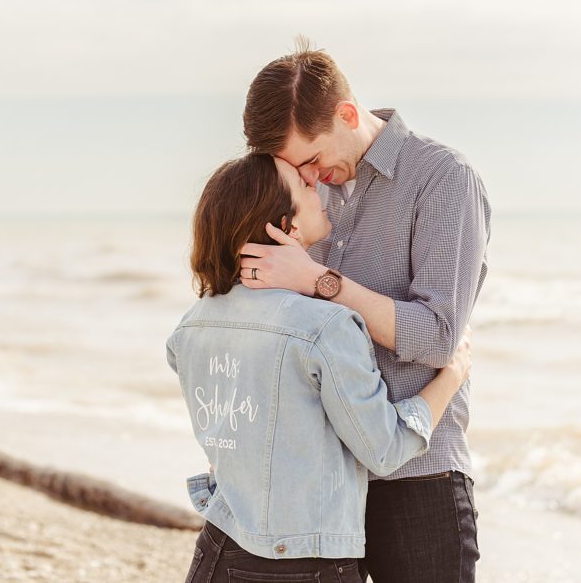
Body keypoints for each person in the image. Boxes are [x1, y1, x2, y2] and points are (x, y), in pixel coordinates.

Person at [239, 39, 491, 583]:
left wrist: (320, 282)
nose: (309, 177)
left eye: (312, 160)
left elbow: (438, 338)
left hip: (418, 479)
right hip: (321, 483)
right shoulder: (306, 191)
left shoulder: (443, 178)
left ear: (347, 115)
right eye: (296, 169)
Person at [167, 153, 472, 583]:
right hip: (304, 565)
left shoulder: (191, 325)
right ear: (286, 226)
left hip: (220, 548)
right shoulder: (325, 327)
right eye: (306, 186)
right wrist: (452, 375)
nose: (319, 187)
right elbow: (384, 450)